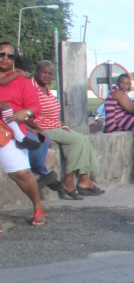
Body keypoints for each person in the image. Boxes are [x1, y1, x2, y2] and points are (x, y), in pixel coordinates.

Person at [31, 60, 103, 199]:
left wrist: (63, 124)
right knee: (78, 140)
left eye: (50, 74)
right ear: (37, 72)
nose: (46, 75)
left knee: (84, 140)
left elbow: (53, 113)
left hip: (55, 125)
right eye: (44, 72)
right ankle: (69, 182)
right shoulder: (30, 87)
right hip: (42, 127)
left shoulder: (46, 89)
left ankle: (84, 180)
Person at [0, 41, 47, 226]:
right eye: (1, 54)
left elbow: (35, 107)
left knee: (21, 174)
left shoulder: (22, 81)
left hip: (10, 132)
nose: (5, 58)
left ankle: (38, 207)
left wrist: (24, 113)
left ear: (15, 59)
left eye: (10, 55)